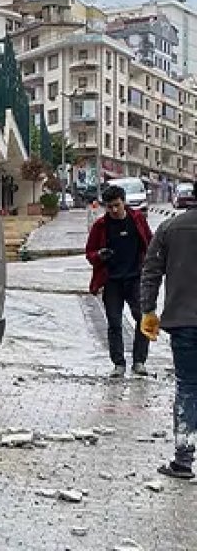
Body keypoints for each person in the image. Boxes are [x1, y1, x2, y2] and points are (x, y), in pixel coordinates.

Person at [140, 204, 197, 478]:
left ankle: (183, 460)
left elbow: (151, 272)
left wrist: (148, 310)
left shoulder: (171, 228)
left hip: (184, 322)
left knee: (187, 387)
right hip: (184, 321)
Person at [84, 184, 154, 377]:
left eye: (117, 205)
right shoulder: (101, 226)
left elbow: (150, 243)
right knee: (114, 322)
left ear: (124, 202)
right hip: (112, 282)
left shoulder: (137, 220)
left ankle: (139, 361)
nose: (114, 210)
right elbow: (89, 253)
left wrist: (152, 271)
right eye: (109, 206)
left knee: (142, 318)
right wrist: (99, 255)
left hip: (135, 279)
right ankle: (119, 364)